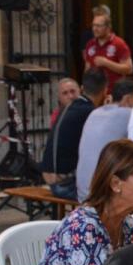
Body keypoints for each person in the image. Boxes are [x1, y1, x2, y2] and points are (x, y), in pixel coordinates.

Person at [41, 68, 105, 200]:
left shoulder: (69, 109)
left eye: (72, 91)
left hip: (53, 179)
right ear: (105, 90)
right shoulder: (89, 112)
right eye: (65, 93)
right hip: (64, 184)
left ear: (82, 89)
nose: (70, 96)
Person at [75, 77, 133, 201]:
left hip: (82, 192)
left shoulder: (95, 112)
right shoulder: (130, 114)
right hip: (103, 196)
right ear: (128, 99)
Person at [83, 5, 132, 90]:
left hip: (114, 92)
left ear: (108, 27)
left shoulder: (118, 43)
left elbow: (129, 69)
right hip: (95, 94)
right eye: (93, 25)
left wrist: (106, 63)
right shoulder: (90, 44)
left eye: (98, 26)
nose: (95, 29)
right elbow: (87, 69)